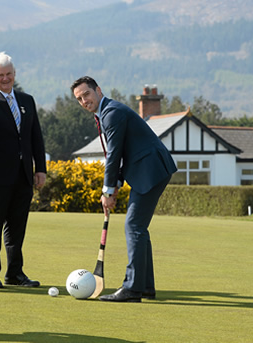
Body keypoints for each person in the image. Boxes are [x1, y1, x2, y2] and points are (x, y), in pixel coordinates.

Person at [70, 76, 177, 302]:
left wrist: (108, 191)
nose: (84, 101)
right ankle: (145, 287)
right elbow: (116, 155)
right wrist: (116, 184)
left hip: (151, 169)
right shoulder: (106, 113)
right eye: (79, 99)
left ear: (98, 90)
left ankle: (132, 288)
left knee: (134, 225)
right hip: (151, 168)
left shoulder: (112, 113)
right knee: (139, 227)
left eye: (86, 94)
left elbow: (114, 155)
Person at [0, 52, 47, 288]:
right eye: (0, 75)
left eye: (8, 74)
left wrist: (40, 168)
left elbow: (36, 137)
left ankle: (15, 273)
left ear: (14, 74)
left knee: (17, 228)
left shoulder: (27, 100)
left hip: (23, 174)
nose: (4, 79)